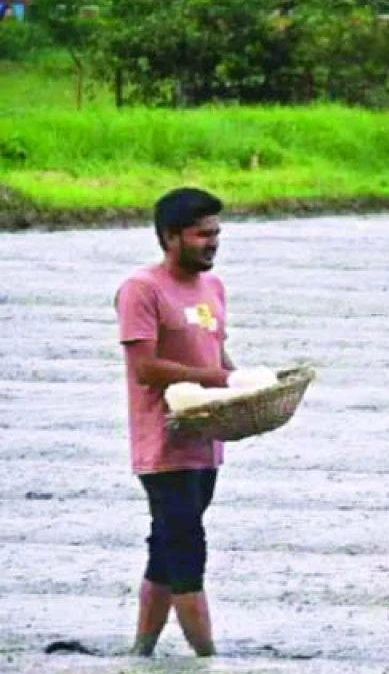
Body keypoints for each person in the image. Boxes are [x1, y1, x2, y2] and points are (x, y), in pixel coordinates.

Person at [114, 187, 236, 657]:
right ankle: (209, 659)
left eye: (216, 233)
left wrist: (243, 384)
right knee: (188, 549)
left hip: (206, 443)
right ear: (169, 237)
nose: (212, 242)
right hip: (163, 446)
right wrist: (217, 377)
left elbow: (218, 354)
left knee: (164, 549)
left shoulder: (214, 288)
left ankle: (140, 654)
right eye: (202, 234)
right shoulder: (141, 290)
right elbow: (145, 369)